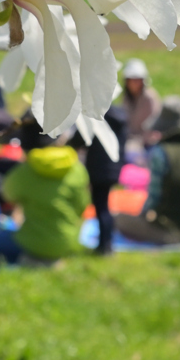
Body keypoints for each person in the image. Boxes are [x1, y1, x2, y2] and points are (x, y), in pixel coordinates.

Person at [115, 96, 180, 246]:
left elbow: (153, 198)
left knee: (118, 218)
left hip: (173, 230)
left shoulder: (162, 152)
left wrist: (143, 217)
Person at [0, 145, 90, 266]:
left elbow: (7, 195)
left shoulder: (27, 170)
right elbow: (82, 205)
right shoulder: (77, 169)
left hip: (31, 242)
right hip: (67, 241)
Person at [71, 102, 128, 255]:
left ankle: (104, 247)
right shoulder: (121, 116)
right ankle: (107, 243)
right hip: (114, 168)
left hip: (98, 169)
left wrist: (67, 144)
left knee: (101, 207)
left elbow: (81, 137)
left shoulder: (95, 115)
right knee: (105, 206)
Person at [121, 58, 161, 146]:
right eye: (132, 79)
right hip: (130, 139)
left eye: (137, 79)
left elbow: (154, 124)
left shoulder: (150, 98)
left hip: (148, 142)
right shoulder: (126, 98)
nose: (135, 83)